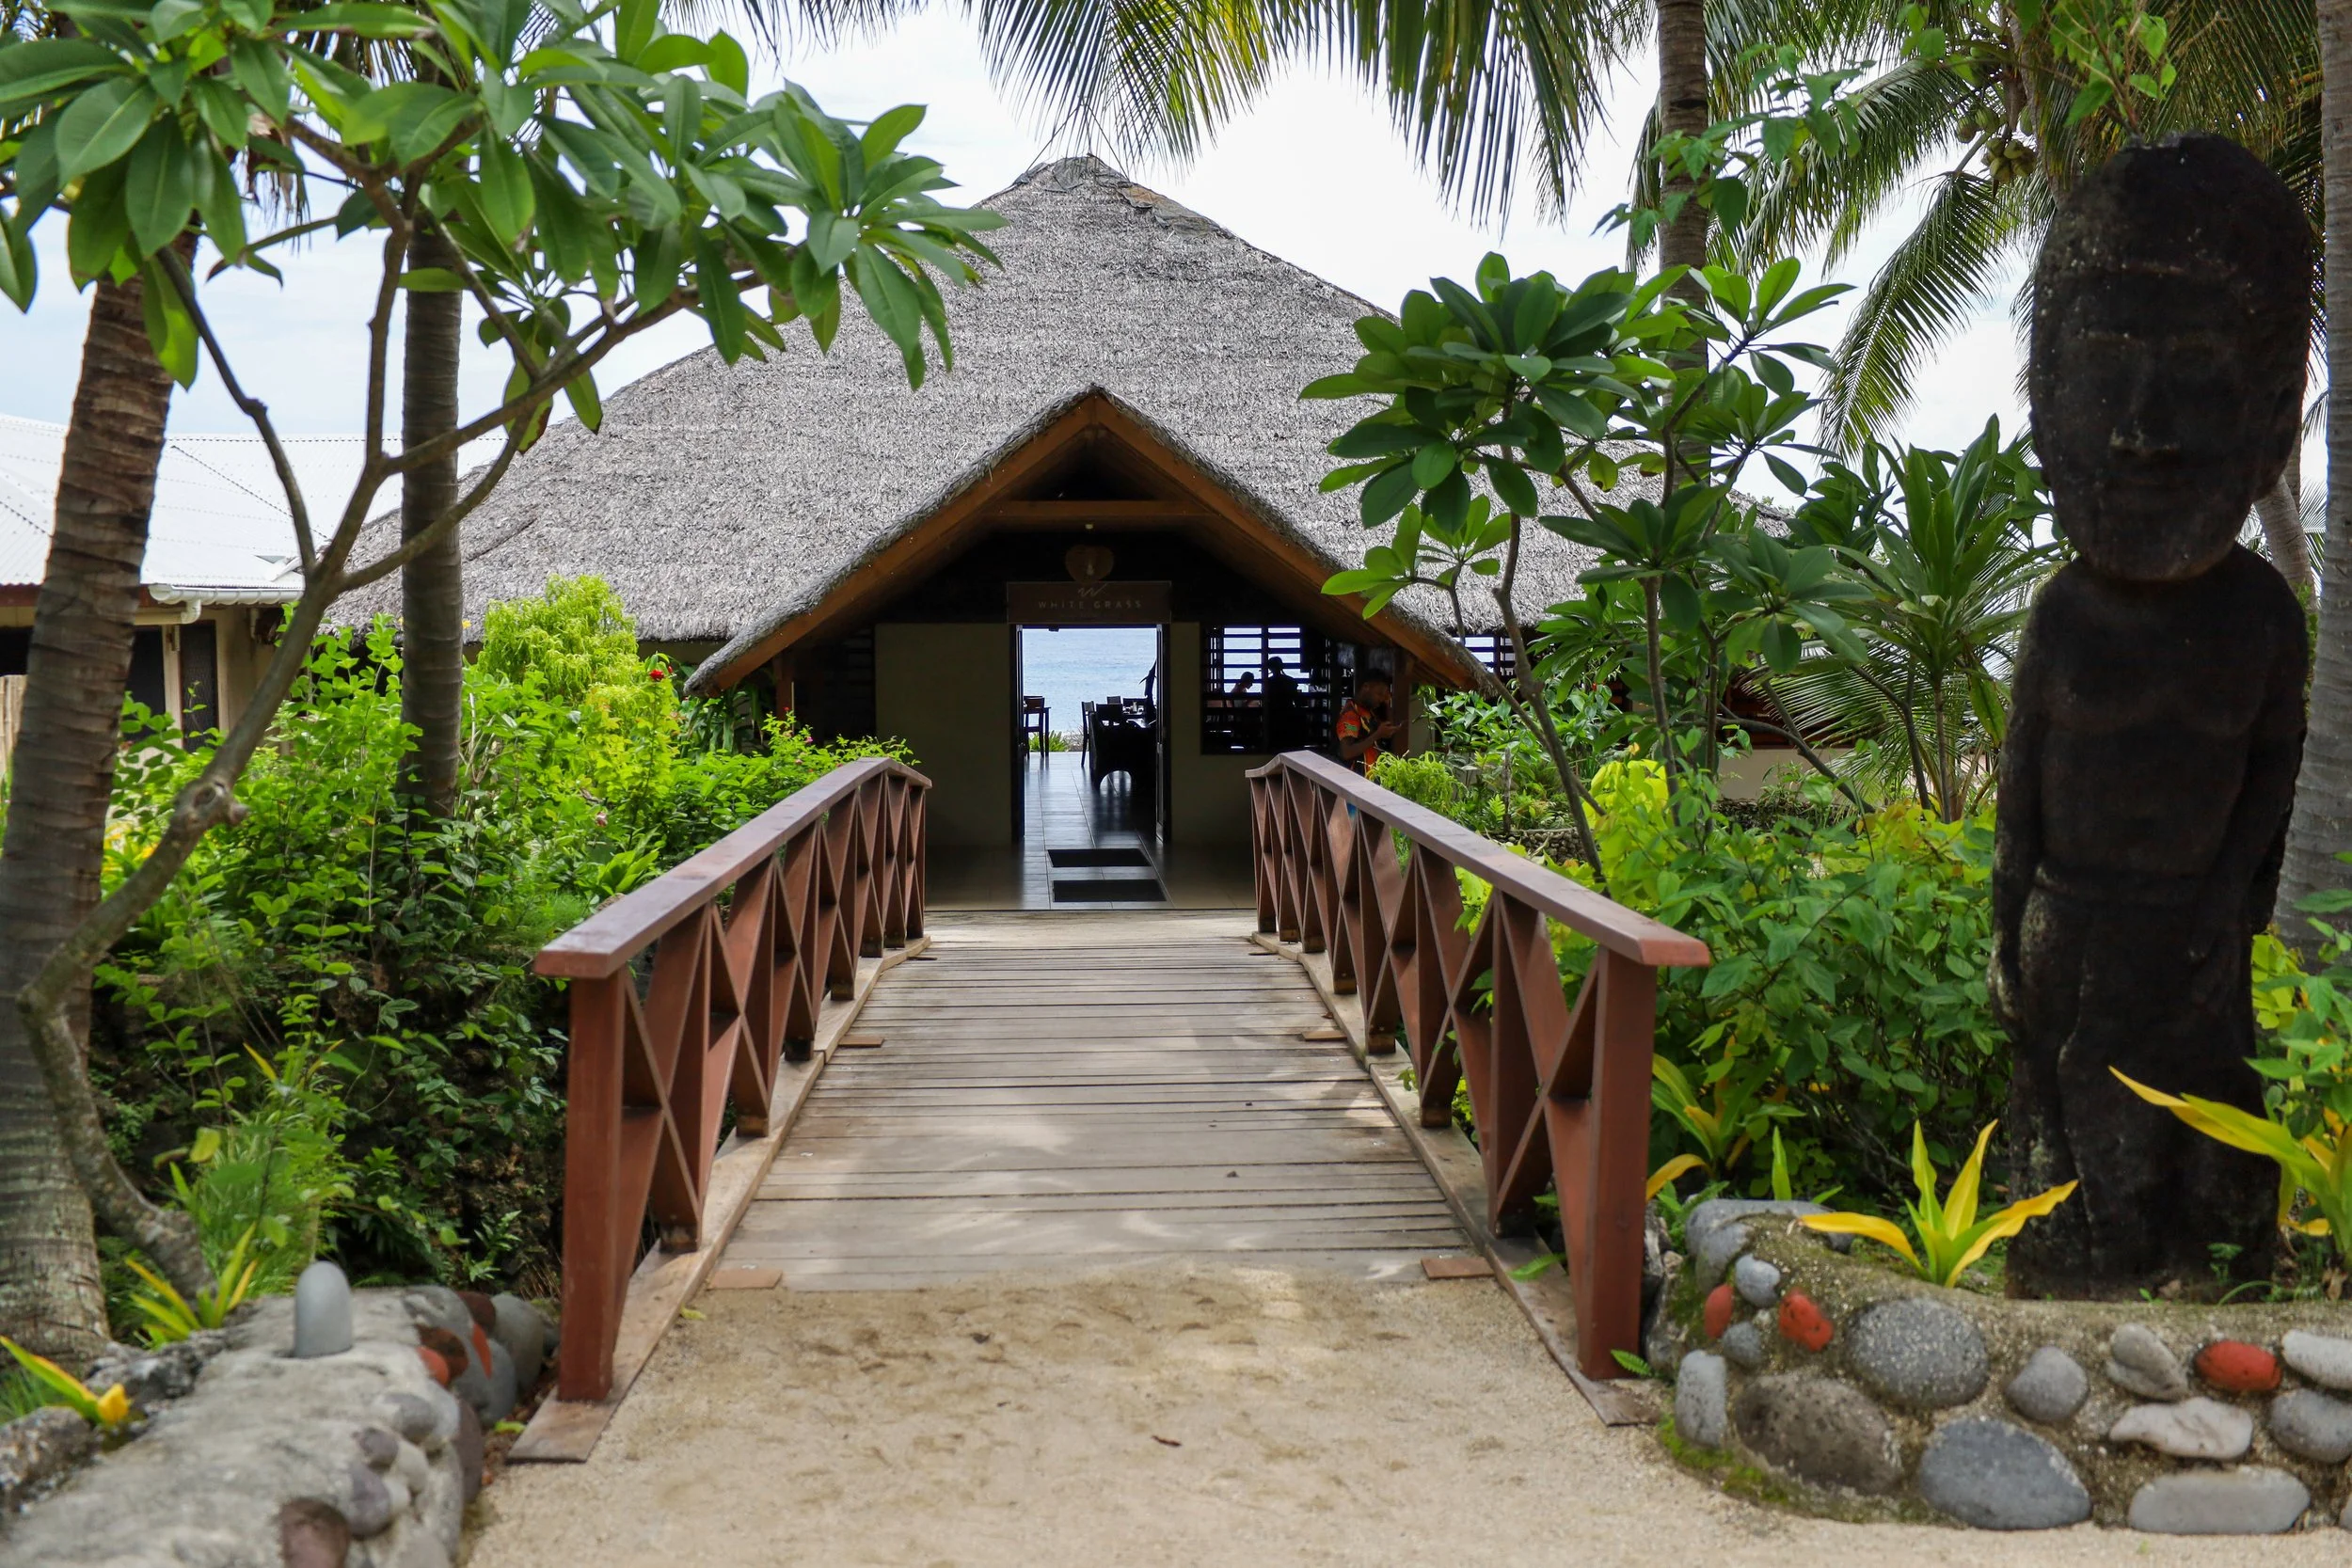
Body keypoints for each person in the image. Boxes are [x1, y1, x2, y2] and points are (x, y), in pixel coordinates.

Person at [1335, 670, 1405, 774]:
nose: (1381, 699)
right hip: (1354, 776)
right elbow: (1347, 752)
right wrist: (1377, 735)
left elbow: (1387, 731)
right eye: (1379, 694)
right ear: (1366, 687)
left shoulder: (1368, 712)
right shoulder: (1351, 715)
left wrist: (1387, 704)